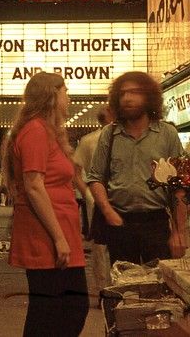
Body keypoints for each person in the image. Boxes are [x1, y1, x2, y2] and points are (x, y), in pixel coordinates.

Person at [2, 72, 88, 337]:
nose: (69, 96)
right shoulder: (35, 131)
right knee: (54, 310)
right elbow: (34, 185)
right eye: (65, 91)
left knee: (63, 309)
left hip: (59, 234)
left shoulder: (48, 131)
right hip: (47, 237)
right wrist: (59, 238)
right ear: (52, 95)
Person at [87, 71, 187, 265]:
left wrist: (179, 232)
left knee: (159, 286)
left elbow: (179, 186)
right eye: (123, 93)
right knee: (124, 287)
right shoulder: (110, 134)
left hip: (156, 223)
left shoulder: (167, 134)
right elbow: (95, 178)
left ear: (149, 96)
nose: (127, 98)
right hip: (120, 223)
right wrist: (108, 212)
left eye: (134, 92)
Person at [73, 108, 113, 293]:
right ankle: (108, 288)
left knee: (100, 246)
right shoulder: (91, 140)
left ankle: (104, 288)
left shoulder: (88, 140)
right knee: (102, 245)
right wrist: (87, 193)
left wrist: (87, 192)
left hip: (96, 197)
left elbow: (76, 171)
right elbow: (76, 171)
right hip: (100, 196)